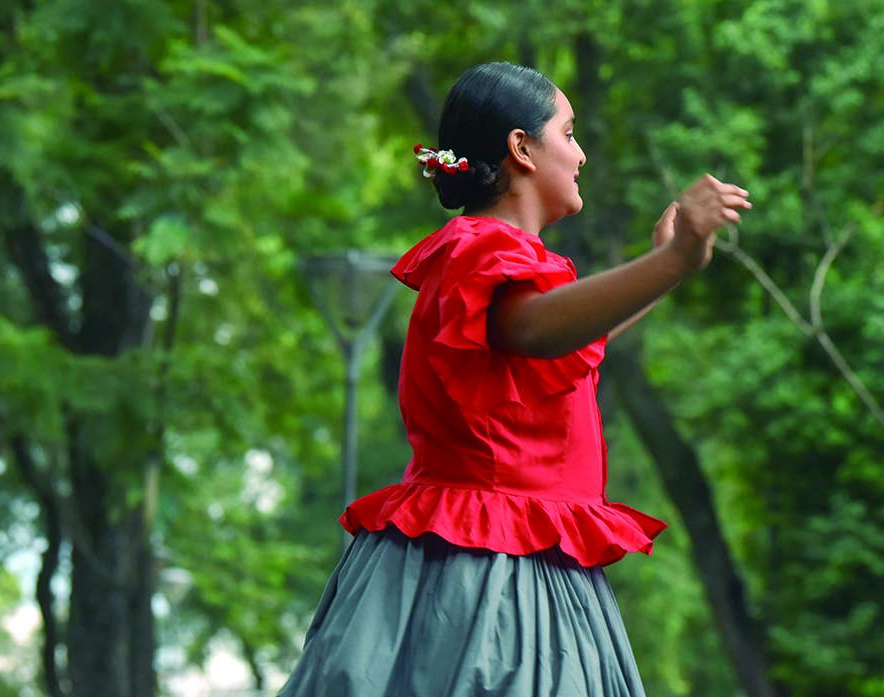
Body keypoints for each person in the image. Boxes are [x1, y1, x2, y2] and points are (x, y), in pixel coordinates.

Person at [279, 61, 750, 697]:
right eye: (569, 133)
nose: (581, 155)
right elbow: (534, 328)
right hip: (486, 575)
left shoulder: (504, 259)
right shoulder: (481, 249)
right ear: (522, 148)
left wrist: (666, 267)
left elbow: (563, 336)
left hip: (505, 559)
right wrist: (670, 260)